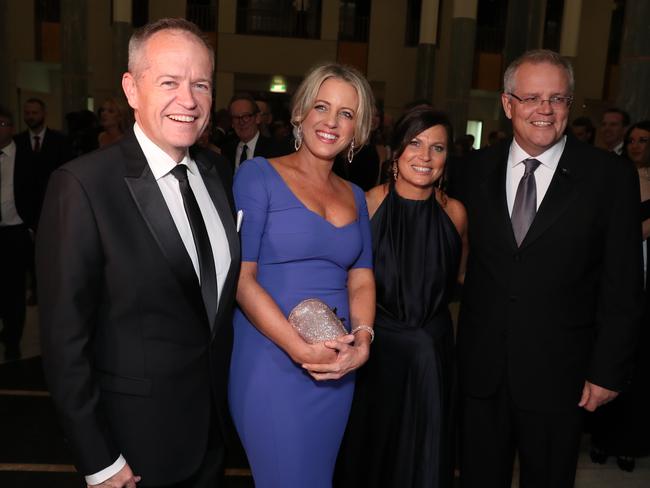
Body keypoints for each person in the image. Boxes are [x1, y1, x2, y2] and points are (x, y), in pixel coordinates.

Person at [36, 18, 240, 488]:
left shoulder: (218, 173)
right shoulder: (83, 186)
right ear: (131, 89)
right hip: (132, 450)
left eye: (201, 84)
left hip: (212, 435)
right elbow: (65, 343)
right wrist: (99, 459)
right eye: (169, 81)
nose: (188, 100)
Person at [458, 49, 643, 488]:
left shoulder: (609, 176)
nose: (545, 110)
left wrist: (607, 371)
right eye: (532, 98)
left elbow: (624, 282)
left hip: (562, 375)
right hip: (481, 371)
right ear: (507, 104)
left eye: (557, 99)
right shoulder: (472, 171)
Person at [228, 63, 376, 488]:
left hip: (336, 366)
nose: (331, 122)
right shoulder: (258, 176)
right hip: (272, 361)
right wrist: (300, 350)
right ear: (299, 114)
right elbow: (242, 278)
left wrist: (362, 344)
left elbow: (362, 278)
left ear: (358, 128)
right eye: (322, 107)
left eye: (346, 114)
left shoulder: (355, 196)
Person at [335, 107, 468, 487]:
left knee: (424, 457)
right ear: (395, 151)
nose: (425, 157)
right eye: (415, 143)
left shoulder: (456, 213)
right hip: (377, 351)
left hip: (433, 354)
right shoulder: (365, 203)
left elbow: (459, 276)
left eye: (437, 147)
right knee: (373, 453)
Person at [589, 119, 650, 472]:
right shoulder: (617, 178)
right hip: (619, 283)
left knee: (641, 371)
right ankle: (603, 437)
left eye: (644, 140)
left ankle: (632, 441)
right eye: (633, 140)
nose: (636, 145)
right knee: (612, 360)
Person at [0, 106, 34, 361]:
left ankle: (13, 340)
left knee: (14, 289)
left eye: (3, 124)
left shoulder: (26, 155)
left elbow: (38, 190)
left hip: (17, 231)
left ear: (11, 127)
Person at [222, 93, 286, 173]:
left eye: (246, 116)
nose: (241, 122)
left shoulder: (275, 151)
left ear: (257, 118)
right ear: (232, 123)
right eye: (236, 117)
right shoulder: (226, 151)